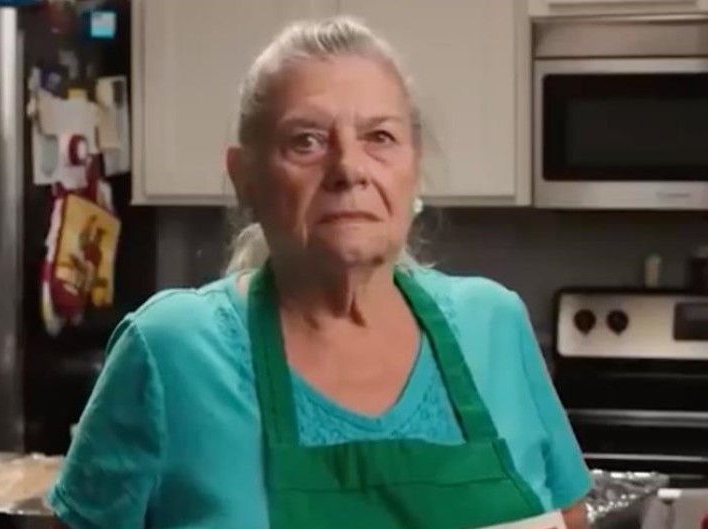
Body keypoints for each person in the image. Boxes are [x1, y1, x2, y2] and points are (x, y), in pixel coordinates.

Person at [48, 16, 592, 529]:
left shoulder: (493, 325)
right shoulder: (170, 352)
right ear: (245, 177)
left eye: (380, 137)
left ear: (415, 166)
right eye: (305, 140)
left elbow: (570, 517)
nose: (349, 168)